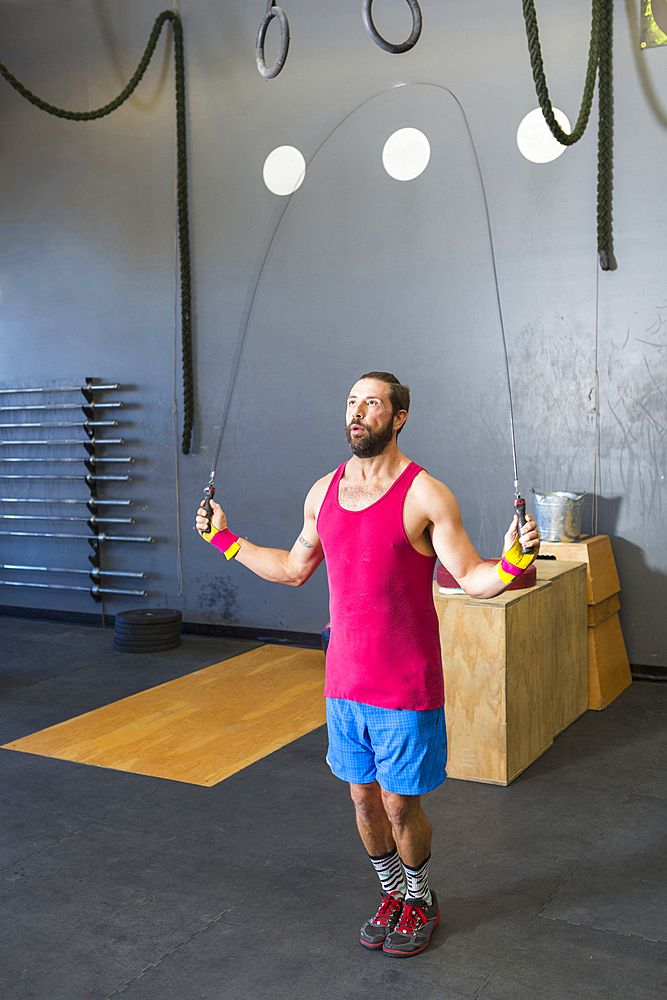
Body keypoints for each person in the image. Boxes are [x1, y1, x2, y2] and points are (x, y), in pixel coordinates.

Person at [196, 371, 540, 958]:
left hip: (406, 686)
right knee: (362, 800)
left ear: (398, 417)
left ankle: (421, 896)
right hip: (343, 684)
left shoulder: (426, 495)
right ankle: (392, 894)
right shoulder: (323, 492)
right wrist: (226, 539)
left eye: (372, 403)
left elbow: (475, 578)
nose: (357, 413)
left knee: (400, 804)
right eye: (352, 402)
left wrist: (513, 561)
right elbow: (292, 567)